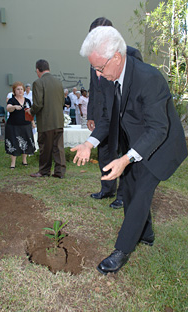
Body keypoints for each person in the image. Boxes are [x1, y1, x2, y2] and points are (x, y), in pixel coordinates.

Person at [71, 26, 188, 275]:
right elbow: (106, 118)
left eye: (100, 68)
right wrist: (88, 143)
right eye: (94, 69)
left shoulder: (149, 78)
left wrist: (126, 158)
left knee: (140, 194)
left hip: (161, 146)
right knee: (130, 188)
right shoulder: (109, 79)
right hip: (134, 143)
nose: (98, 75)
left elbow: (158, 129)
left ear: (116, 57)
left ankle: (121, 250)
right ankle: (146, 235)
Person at [87, 17, 143, 209]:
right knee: (104, 153)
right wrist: (91, 115)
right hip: (103, 118)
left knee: (123, 154)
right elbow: (94, 89)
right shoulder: (94, 58)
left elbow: (137, 90)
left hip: (123, 117)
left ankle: (122, 195)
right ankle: (107, 188)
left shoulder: (132, 54)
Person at [26, 59, 66, 178]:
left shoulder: (38, 82)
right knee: (58, 148)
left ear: (38, 70)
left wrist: (31, 111)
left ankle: (44, 171)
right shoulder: (58, 82)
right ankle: (60, 172)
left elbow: (38, 104)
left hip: (46, 122)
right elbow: (62, 101)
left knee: (45, 147)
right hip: (58, 120)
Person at [5, 81, 35, 169]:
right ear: (14, 90)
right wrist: (14, 107)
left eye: (21, 89)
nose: (20, 91)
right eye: (18, 89)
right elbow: (8, 108)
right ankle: (13, 163)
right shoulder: (12, 100)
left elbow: (31, 113)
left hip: (26, 125)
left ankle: (24, 160)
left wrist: (33, 123)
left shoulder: (28, 100)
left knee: (25, 142)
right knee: (13, 143)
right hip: (13, 125)